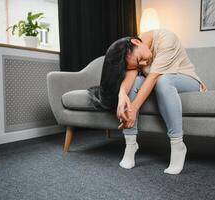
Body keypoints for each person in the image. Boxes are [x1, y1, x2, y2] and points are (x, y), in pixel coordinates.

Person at [87, 28, 208, 175]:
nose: (144, 63)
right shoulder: (134, 51)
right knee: (136, 81)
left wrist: (133, 110)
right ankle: (131, 144)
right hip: (161, 81)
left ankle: (178, 145)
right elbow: (131, 75)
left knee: (163, 81)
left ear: (136, 42)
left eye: (140, 60)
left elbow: (153, 78)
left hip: (186, 79)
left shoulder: (166, 39)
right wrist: (122, 95)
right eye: (139, 65)